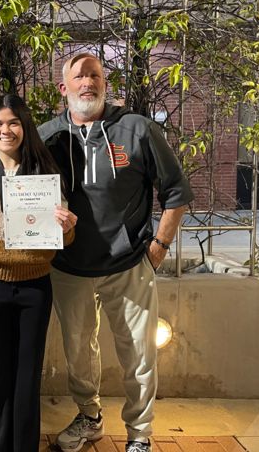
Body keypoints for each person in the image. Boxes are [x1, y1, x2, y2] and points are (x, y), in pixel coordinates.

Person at [39, 53, 193, 452]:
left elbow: (176, 190)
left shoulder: (136, 129)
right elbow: (20, 181)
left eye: (95, 75)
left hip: (128, 264)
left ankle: (139, 434)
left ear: (105, 83)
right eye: (79, 76)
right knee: (78, 353)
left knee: (139, 356)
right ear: (64, 88)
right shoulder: (46, 136)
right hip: (69, 265)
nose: (88, 82)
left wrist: (159, 246)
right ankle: (89, 417)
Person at [0, 94, 77, 452]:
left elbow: (64, 235)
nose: (5, 130)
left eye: (12, 123)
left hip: (34, 286)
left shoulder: (45, 173)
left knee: (27, 378)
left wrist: (69, 226)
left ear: (24, 127)